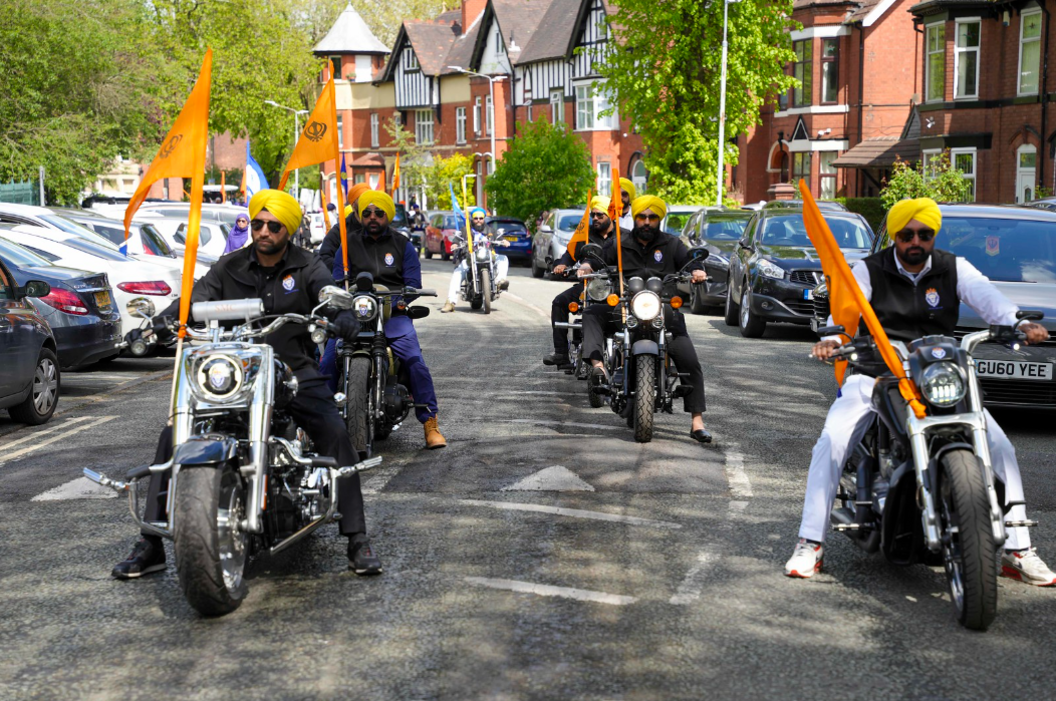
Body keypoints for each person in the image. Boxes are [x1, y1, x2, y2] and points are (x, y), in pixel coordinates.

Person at [112, 189, 383, 579]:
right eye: (258, 223)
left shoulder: (307, 266)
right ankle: (150, 542)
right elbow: (195, 298)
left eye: (273, 225)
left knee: (335, 431)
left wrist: (343, 318)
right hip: (233, 372)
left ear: (287, 229)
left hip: (291, 371)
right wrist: (165, 320)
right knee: (173, 434)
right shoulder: (228, 266)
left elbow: (328, 297)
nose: (264, 231)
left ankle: (357, 537)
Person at [784, 197, 1055, 584]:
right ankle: (810, 542)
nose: (916, 241)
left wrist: (1017, 322)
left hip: (936, 370)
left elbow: (990, 299)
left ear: (933, 235)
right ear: (894, 235)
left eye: (924, 234)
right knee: (832, 440)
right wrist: (835, 338)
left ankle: (1018, 548)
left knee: (1000, 447)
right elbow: (845, 314)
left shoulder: (953, 267)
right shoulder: (868, 270)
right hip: (876, 369)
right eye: (907, 234)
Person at [577, 195, 712, 443]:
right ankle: (597, 367)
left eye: (652, 217)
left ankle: (697, 421)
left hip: (662, 309)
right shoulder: (620, 243)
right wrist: (586, 265)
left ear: (659, 219)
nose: (647, 222)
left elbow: (689, 258)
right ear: (635, 218)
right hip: (625, 307)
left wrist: (696, 270)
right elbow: (597, 257)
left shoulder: (672, 244)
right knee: (591, 313)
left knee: (689, 359)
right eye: (642, 217)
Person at [329, 191, 447, 450]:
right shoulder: (347, 245)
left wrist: (403, 301)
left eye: (379, 213)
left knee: (415, 362)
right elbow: (337, 280)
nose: (372, 217)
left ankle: (430, 423)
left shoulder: (402, 244)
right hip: (354, 315)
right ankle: (320, 425)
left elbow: (413, 283)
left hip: (393, 315)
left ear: (387, 216)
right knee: (327, 360)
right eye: (367, 213)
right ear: (360, 216)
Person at [543, 196, 623, 367]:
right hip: (589, 286)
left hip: (616, 288)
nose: (595, 218)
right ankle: (561, 353)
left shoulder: (623, 236)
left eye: (600, 215)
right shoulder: (584, 235)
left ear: (610, 214)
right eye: (593, 215)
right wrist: (562, 265)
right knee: (559, 302)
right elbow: (569, 255)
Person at [441, 207, 510, 313]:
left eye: (481, 218)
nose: (478, 220)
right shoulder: (465, 230)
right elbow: (457, 239)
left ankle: (500, 281)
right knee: (458, 272)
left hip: (488, 257)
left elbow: (499, 238)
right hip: (470, 258)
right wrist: (455, 244)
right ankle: (450, 302)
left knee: (503, 258)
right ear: (472, 219)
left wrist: (504, 241)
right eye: (476, 218)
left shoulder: (490, 230)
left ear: (484, 219)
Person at [318, 182, 371, 273]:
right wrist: (344, 270)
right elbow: (324, 257)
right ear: (354, 205)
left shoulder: (379, 227)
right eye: (363, 200)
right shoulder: (340, 230)